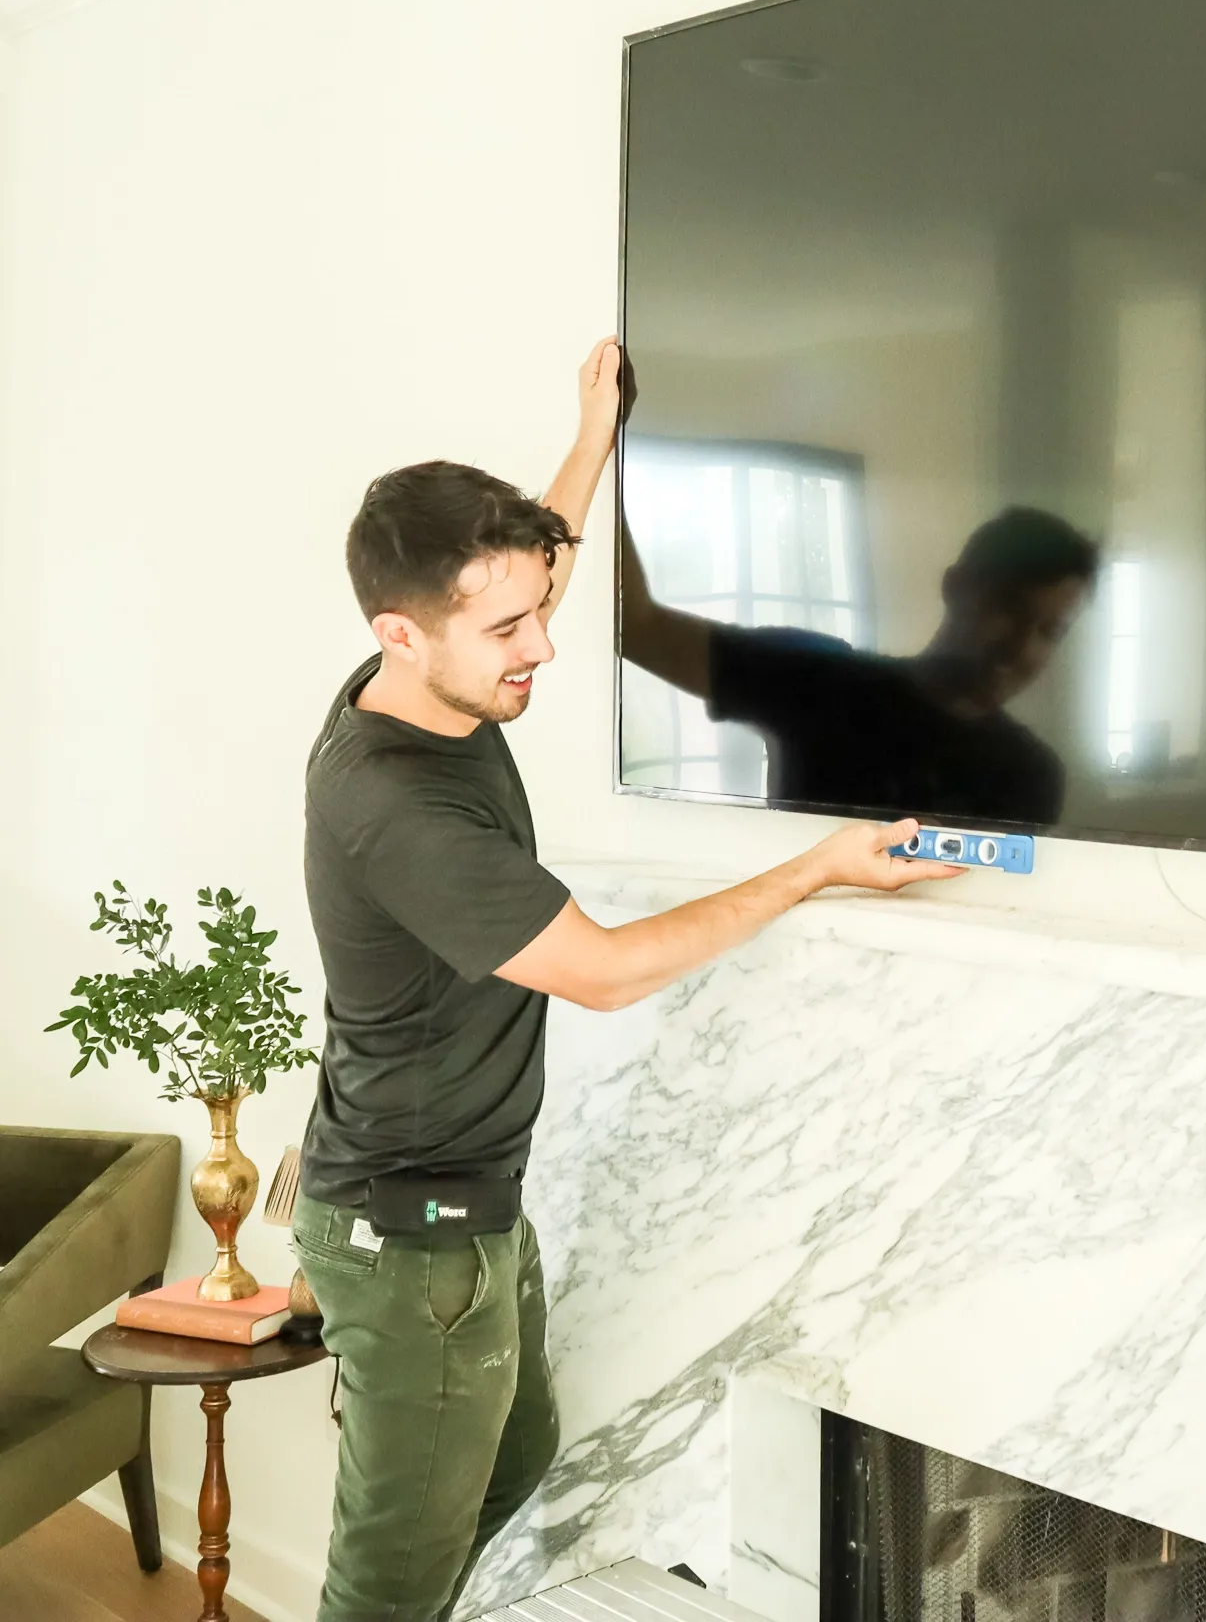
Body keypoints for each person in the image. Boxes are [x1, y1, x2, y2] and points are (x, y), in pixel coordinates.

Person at [292, 338, 950, 1622]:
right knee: (385, 1580)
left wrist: (589, 437)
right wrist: (810, 868)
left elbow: (521, 572)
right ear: (400, 631)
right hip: (411, 1238)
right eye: (509, 628)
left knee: (515, 1459)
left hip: (462, 1211)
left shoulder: (421, 676)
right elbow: (598, 970)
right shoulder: (397, 804)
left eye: (539, 606)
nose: (541, 642)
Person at [621, 505, 1099, 826]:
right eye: (1008, 609)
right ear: (957, 587)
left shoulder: (1032, 774)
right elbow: (637, 626)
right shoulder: (820, 680)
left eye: (1049, 631)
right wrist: (598, 437)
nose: (1020, 648)